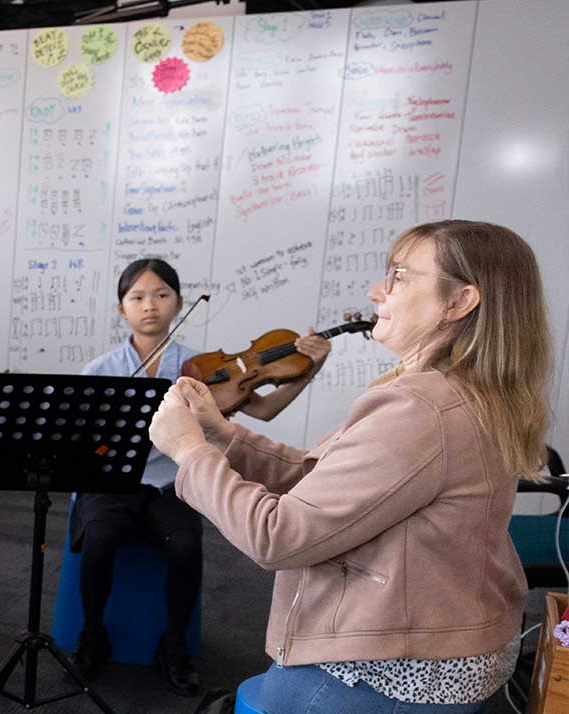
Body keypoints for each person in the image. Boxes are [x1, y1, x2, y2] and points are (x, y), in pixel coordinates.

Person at [151, 220, 550, 712]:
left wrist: (190, 452)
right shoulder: (463, 390)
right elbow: (327, 479)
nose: (376, 290)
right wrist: (224, 433)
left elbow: (278, 537)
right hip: (450, 646)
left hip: (389, 671)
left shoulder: (420, 409)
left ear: (459, 302)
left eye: (400, 276)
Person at [70, 258, 329, 695]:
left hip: (176, 481)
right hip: (115, 481)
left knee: (186, 546)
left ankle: (174, 644)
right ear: (122, 310)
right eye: (137, 297)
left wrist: (310, 370)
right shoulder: (101, 369)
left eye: (161, 295)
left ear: (179, 303)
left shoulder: (203, 367)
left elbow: (264, 409)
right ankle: (92, 633)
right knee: (98, 541)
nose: (149, 305)